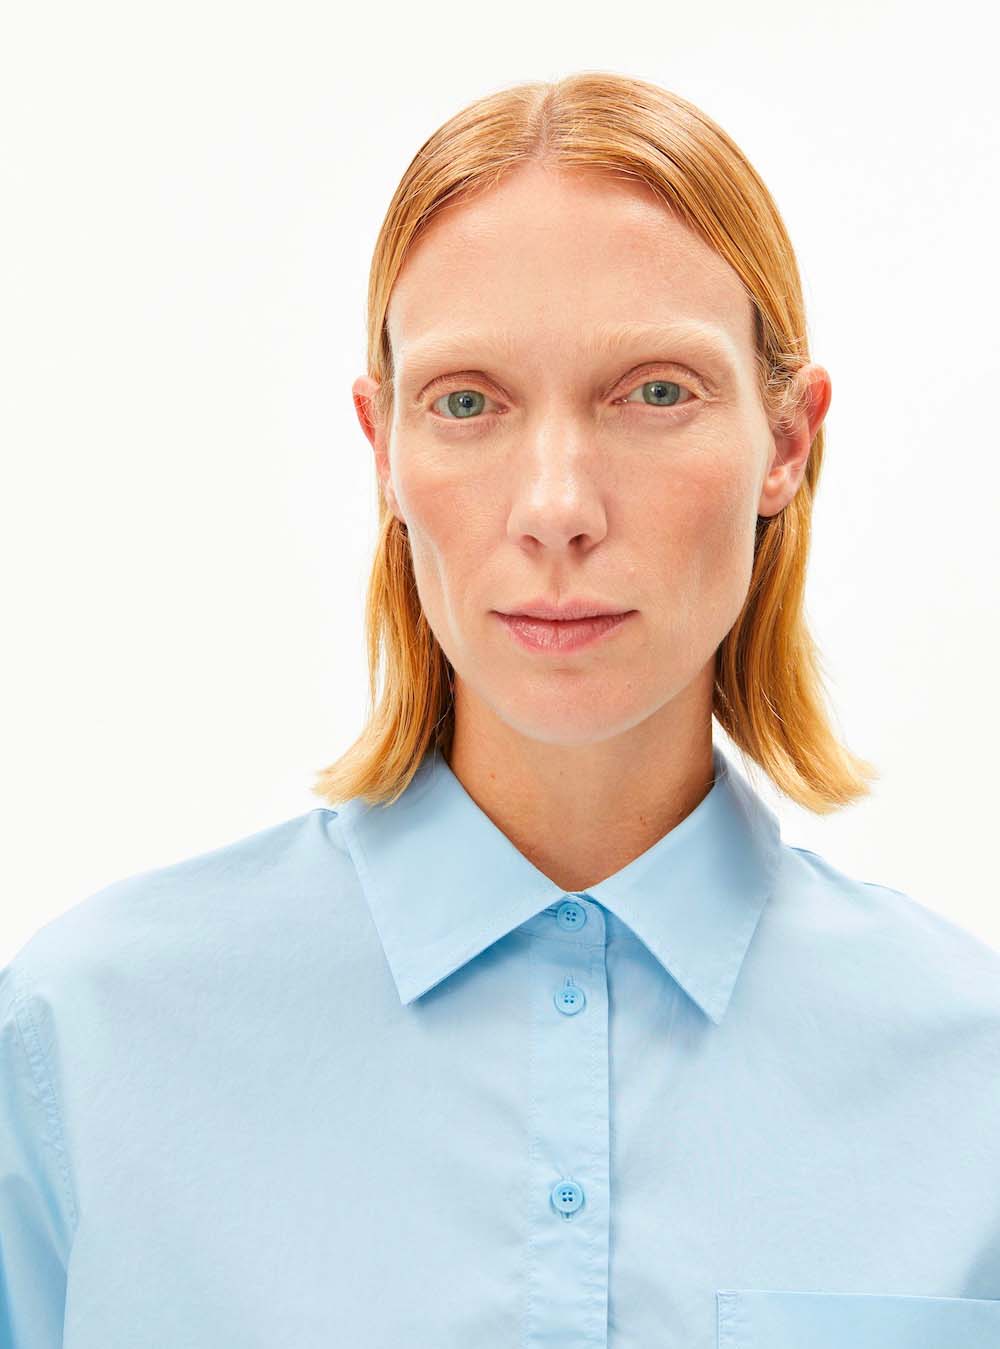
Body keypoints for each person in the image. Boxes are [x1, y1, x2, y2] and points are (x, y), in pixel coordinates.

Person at [3, 71, 1000, 1349]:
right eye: (467, 401)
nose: (555, 507)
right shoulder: (84, 1046)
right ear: (384, 449)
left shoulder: (972, 1080)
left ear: (787, 442)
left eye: (654, 391)